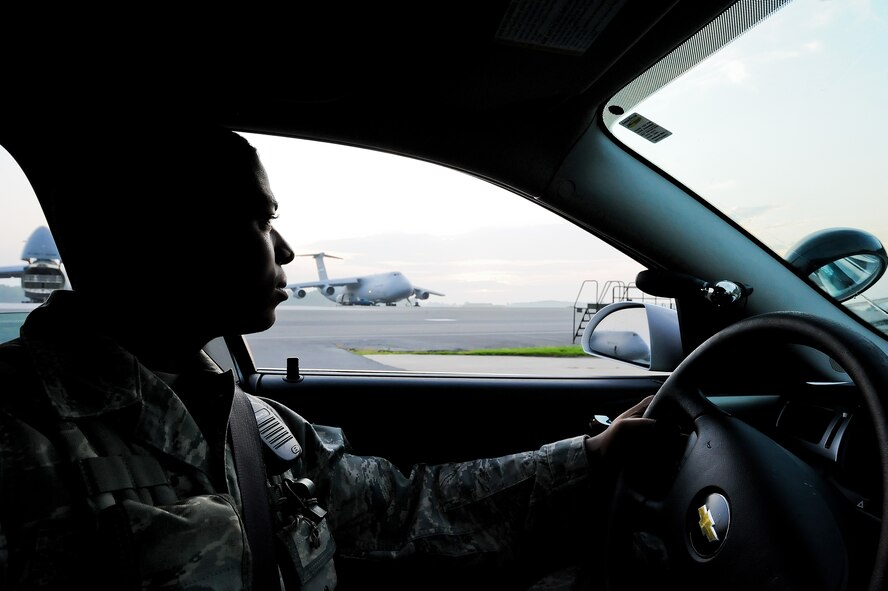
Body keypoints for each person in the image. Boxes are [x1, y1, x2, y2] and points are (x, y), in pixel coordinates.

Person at [0, 119, 658, 590]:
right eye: (259, 220)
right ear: (168, 233)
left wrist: (591, 458)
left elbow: (396, 511)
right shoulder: (19, 434)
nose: (284, 250)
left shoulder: (253, 424)